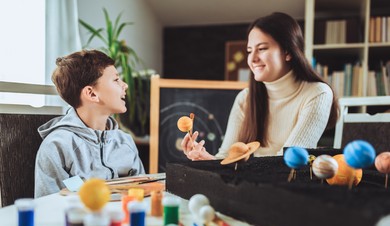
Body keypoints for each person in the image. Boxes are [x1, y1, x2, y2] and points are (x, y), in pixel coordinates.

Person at [181, 12, 339, 160]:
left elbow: (288, 162)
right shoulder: (245, 98)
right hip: (246, 185)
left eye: (262, 49)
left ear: (288, 52)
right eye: (250, 51)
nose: (253, 58)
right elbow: (227, 158)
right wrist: (205, 158)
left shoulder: (317, 94)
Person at [35, 49, 145, 198]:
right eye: (116, 80)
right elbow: (50, 207)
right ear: (92, 94)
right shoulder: (57, 147)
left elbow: (143, 195)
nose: (124, 85)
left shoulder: (125, 142)